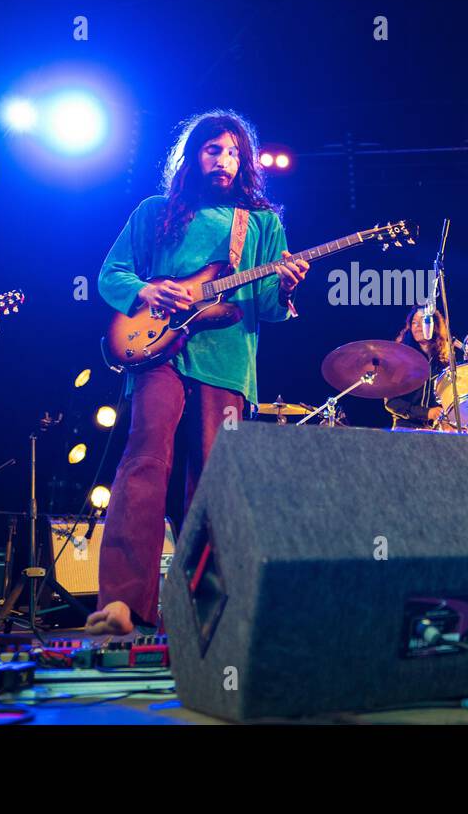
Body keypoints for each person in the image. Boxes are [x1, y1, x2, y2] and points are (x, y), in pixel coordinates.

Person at [86, 110, 309, 636]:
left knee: (210, 482)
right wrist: (146, 290)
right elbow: (110, 273)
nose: (225, 161)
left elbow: (268, 309)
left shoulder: (261, 224)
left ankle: (202, 610)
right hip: (158, 354)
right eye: (214, 150)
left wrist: (287, 286)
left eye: (234, 153)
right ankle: (121, 604)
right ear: (193, 155)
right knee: (144, 464)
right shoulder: (155, 211)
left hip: (227, 363)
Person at [384, 305, 452, 430]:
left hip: (434, 430)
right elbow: (391, 402)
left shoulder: (443, 361)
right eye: (414, 322)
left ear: (433, 326)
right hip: (405, 428)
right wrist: (426, 413)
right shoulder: (402, 359)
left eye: (423, 321)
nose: (418, 326)